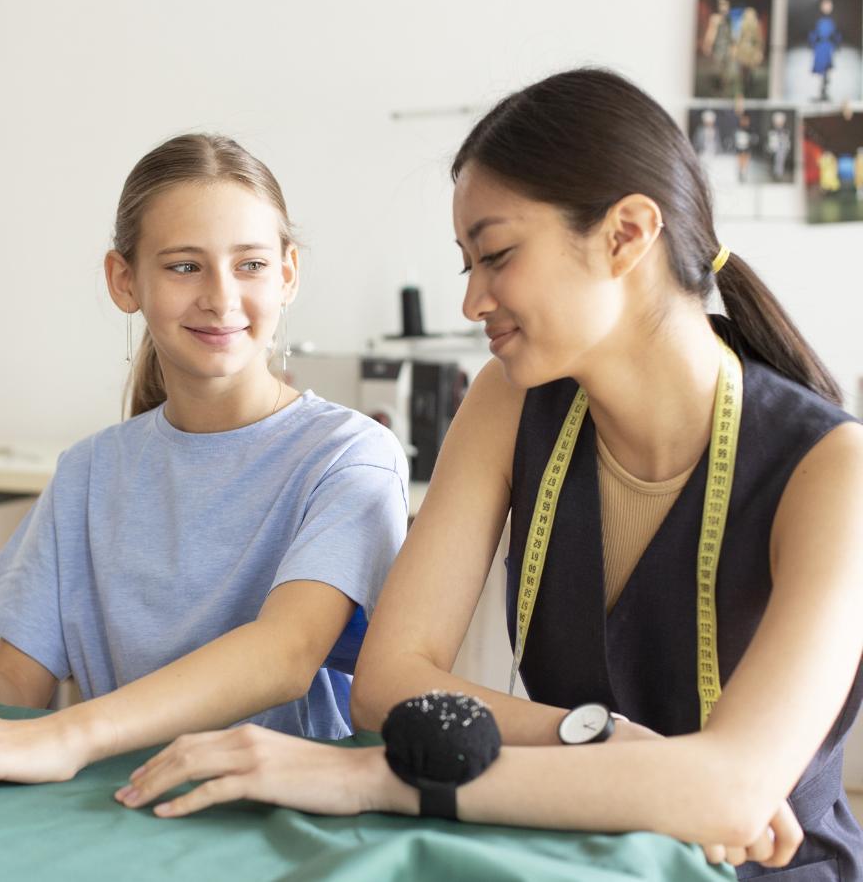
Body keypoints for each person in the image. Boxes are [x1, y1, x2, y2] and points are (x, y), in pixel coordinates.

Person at [119, 71, 863, 881]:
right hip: (552, 856)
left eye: (497, 255)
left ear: (627, 234)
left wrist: (372, 776)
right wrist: (599, 737)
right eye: (467, 263)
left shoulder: (834, 473)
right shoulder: (509, 404)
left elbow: (729, 793)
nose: (473, 300)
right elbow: (387, 683)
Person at [0, 133, 409, 791]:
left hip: (272, 817)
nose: (221, 298)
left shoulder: (350, 457)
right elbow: (17, 685)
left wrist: (67, 734)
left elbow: (284, 655)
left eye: (250, 264)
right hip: (114, 804)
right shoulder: (89, 472)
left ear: (287, 275)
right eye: (184, 266)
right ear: (123, 280)